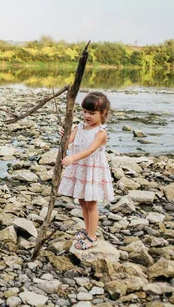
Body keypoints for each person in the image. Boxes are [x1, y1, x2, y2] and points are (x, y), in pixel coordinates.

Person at [57, 91, 114, 250]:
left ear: (103, 113)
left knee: (91, 203)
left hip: (92, 170)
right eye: (85, 111)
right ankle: (88, 229)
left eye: (92, 113)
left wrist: (73, 158)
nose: (87, 116)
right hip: (80, 169)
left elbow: (89, 150)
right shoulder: (80, 127)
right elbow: (68, 142)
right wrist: (64, 135)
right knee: (82, 200)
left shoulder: (101, 133)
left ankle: (92, 236)